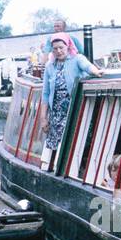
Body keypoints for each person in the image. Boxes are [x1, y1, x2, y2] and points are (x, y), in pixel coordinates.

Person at [41, 32, 103, 169]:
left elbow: (87, 66)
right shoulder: (50, 66)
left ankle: (74, 168)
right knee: (57, 144)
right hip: (56, 113)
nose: (58, 51)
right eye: (55, 49)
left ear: (68, 46)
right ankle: (56, 168)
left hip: (74, 109)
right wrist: (43, 118)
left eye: (61, 48)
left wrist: (96, 71)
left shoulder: (77, 59)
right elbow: (45, 94)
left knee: (74, 140)